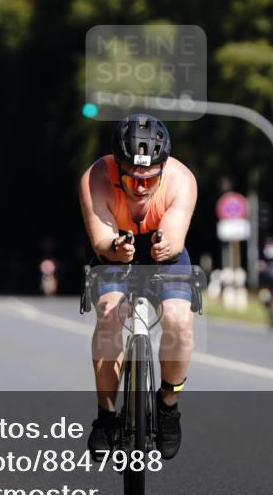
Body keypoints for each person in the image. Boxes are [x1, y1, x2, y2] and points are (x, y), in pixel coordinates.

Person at [78, 114, 198, 461]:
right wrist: (115, 248)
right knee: (108, 314)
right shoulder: (95, 178)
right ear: (117, 166)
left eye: (150, 178)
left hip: (163, 248)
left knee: (178, 321)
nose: (142, 187)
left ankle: (168, 406)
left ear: (164, 166)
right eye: (133, 178)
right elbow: (100, 238)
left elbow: (175, 236)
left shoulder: (182, 180)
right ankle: (105, 416)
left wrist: (167, 246)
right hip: (114, 246)